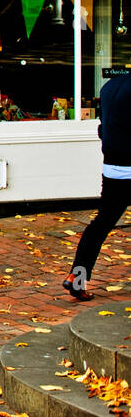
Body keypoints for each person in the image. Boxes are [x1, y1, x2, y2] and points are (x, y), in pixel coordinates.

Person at [64, 71, 131, 301]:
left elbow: (102, 129)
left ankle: (77, 276)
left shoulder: (109, 88)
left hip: (112, 167)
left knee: (100, 224)